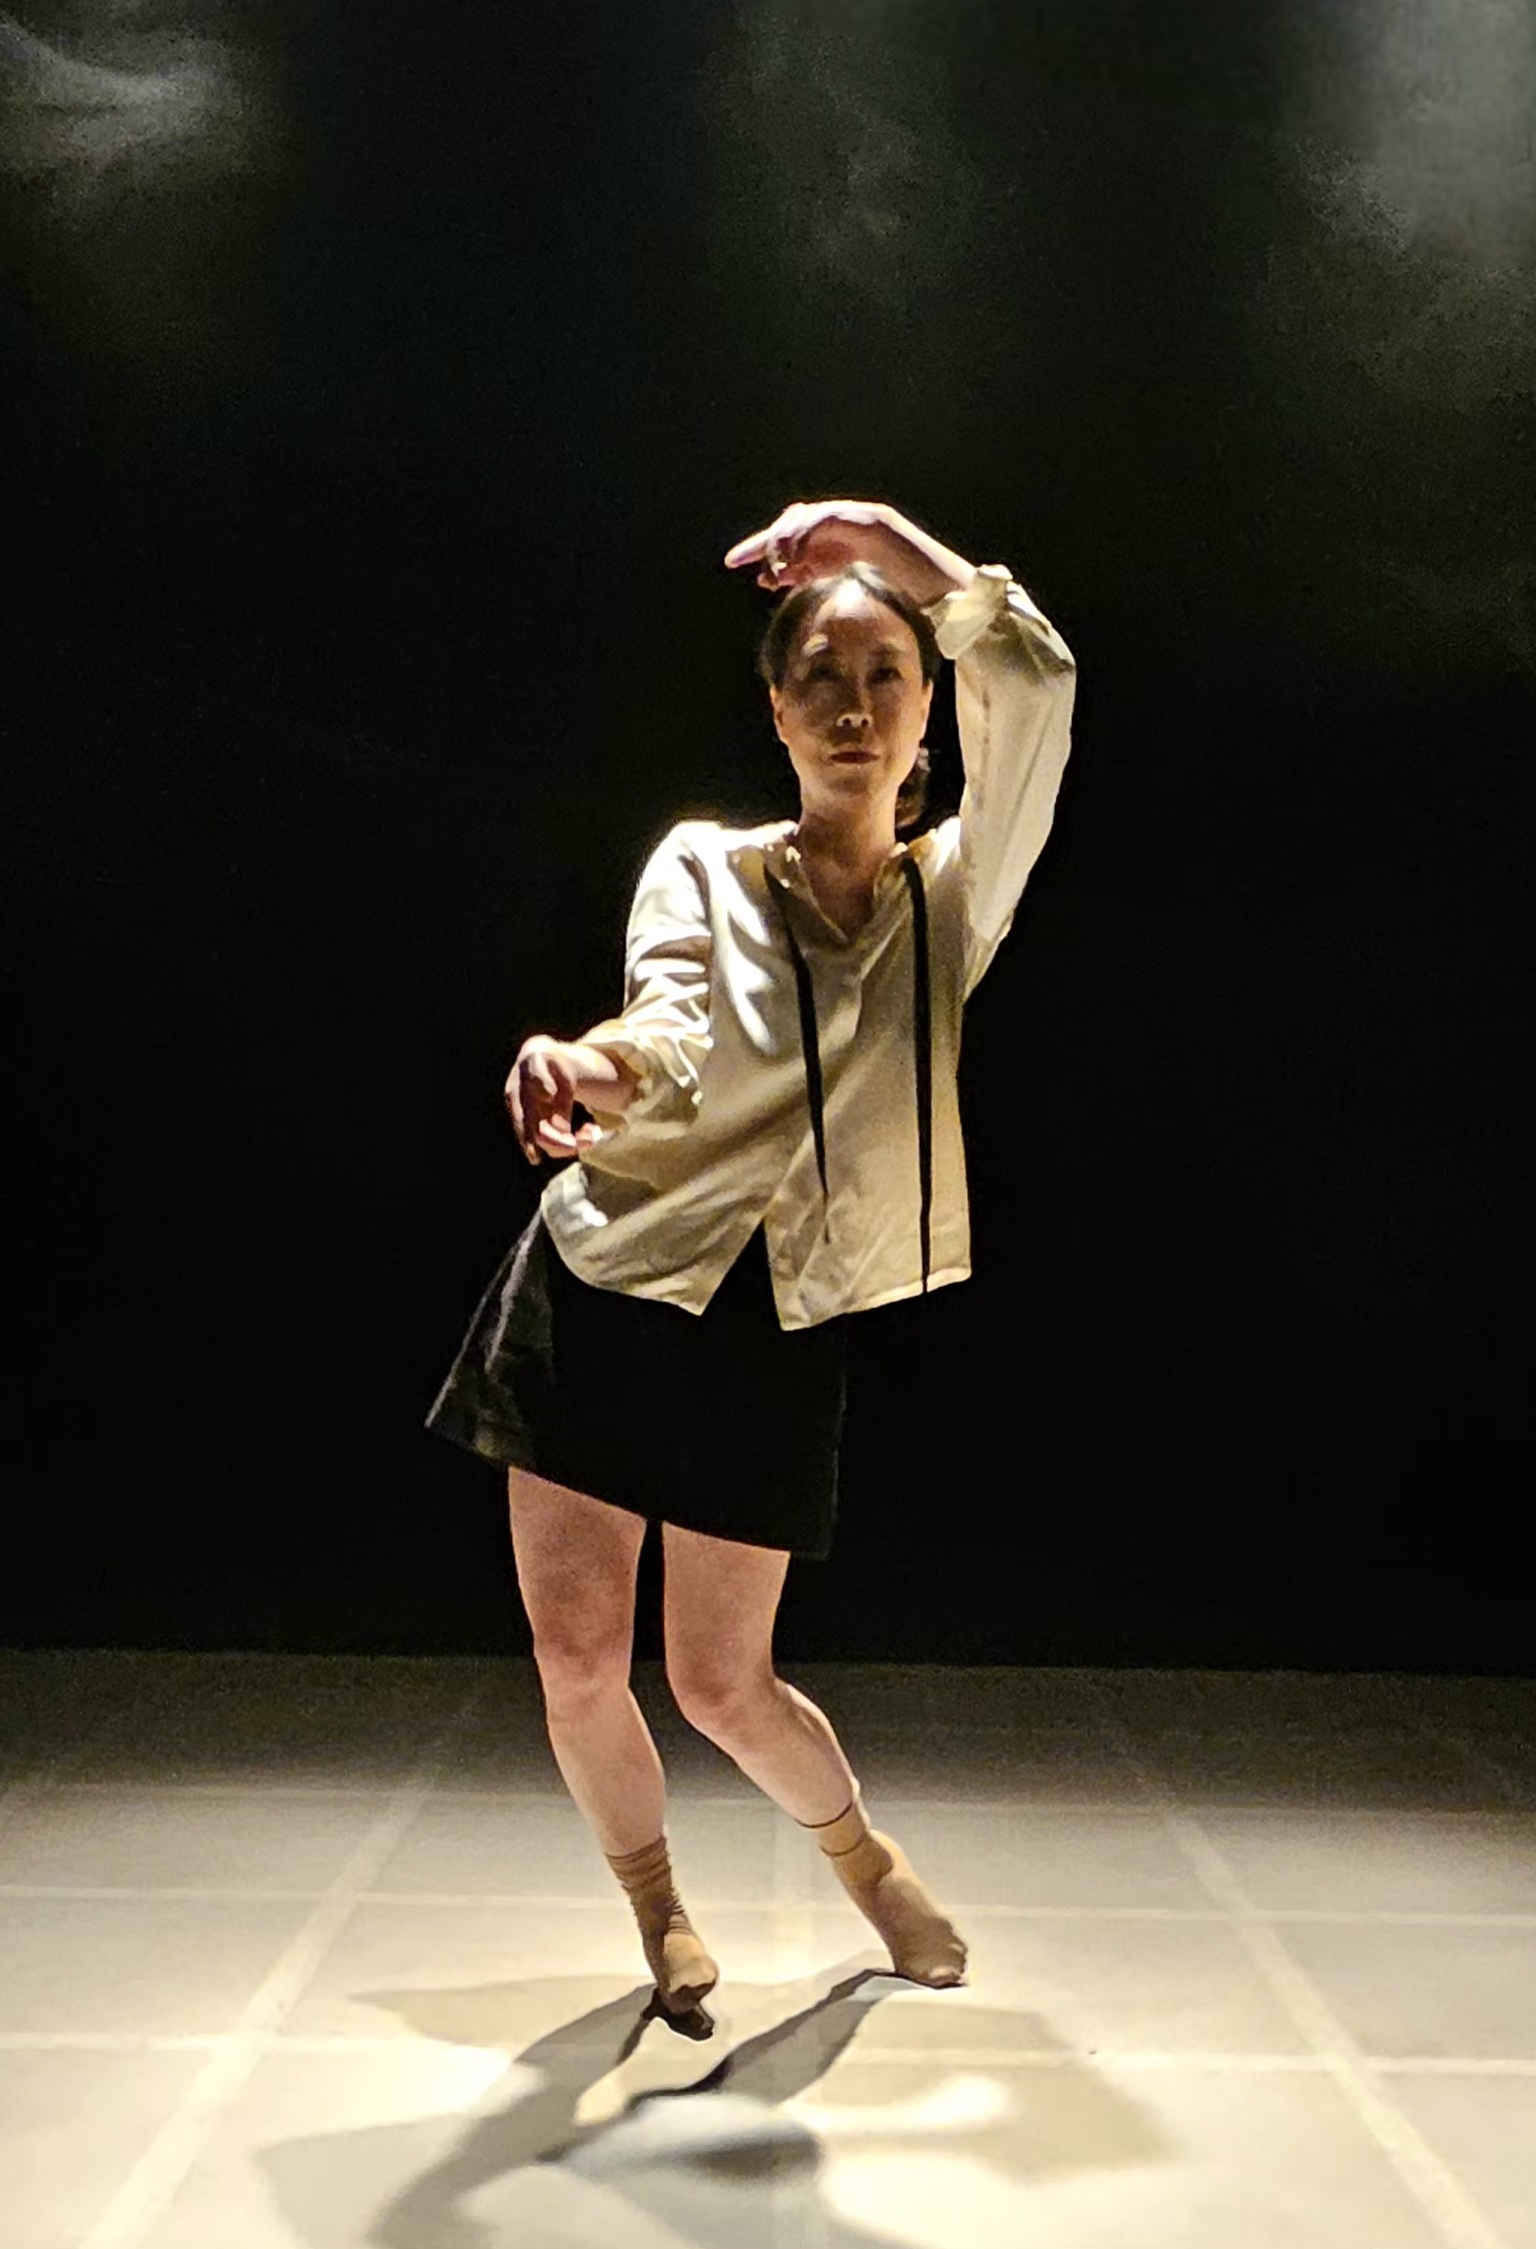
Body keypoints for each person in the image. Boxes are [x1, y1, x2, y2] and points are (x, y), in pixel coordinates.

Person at [425, 497, 1076, 2031]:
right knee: (578, 1661)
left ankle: (866, 1863)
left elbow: (1037, 680)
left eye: (886, 676)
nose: (853, 705)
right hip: (603, 1282)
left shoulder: (952, 899)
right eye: (820, 678)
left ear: (926, 716)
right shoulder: (701, 868)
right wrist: (578, 1064)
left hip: (773, 1319)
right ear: (776, 711)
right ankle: (659, 1910)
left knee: (722, 1681)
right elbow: (663, 1033)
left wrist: (880, 538)